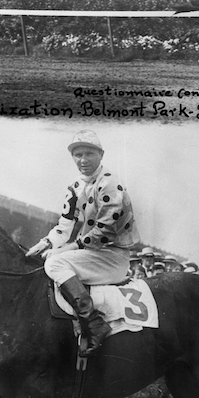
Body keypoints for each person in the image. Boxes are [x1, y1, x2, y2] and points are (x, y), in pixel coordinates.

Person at [26, 130, 140, 356]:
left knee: (55, 264)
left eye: (89, 153)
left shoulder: (110, 184)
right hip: (94, 252)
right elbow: (65, 224)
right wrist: (46, 242)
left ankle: (94, 324)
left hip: (112, 256)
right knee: (48, 258)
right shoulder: (76, 186)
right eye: (78, 155)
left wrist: (67, 248)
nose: (83, 160)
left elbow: (104, 232)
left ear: (101, 155)